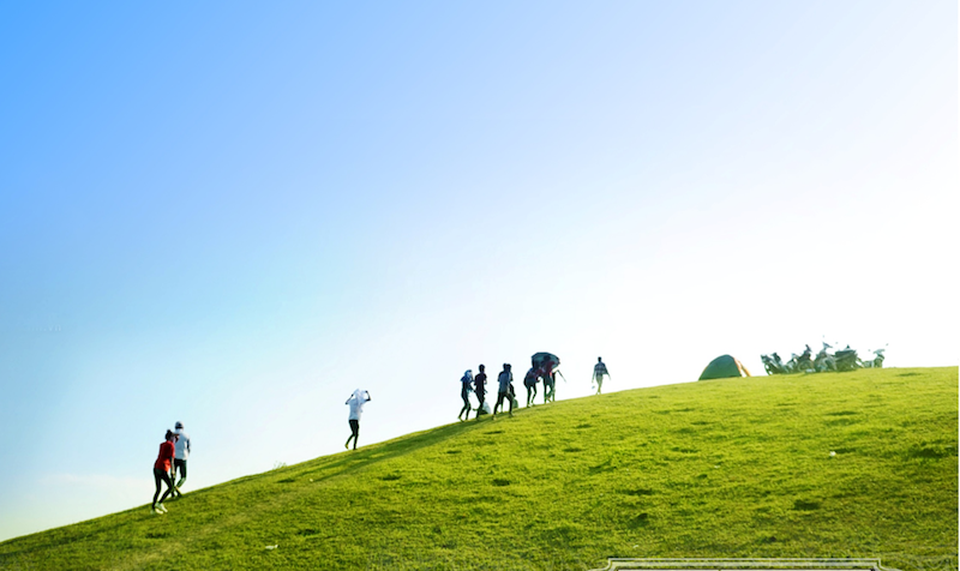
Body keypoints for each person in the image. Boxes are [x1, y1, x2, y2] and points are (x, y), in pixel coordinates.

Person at [152, 430, 176, 514]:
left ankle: (153, 509)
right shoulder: (171, 445)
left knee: (158, 489)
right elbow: (171, 458)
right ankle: (160, 502)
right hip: (163, 467)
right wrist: (173, 470)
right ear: (171, 437)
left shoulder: (162, 445)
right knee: (171, 487)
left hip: (156, 466)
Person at [169, 421, 191, 498]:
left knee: (173, 475)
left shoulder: (172, 435)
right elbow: (189, 447)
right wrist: (187, 455)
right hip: (183, 457)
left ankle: (172, 493)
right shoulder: (186, 435)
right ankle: (177, 486)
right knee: (183, 476)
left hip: (174, 457)